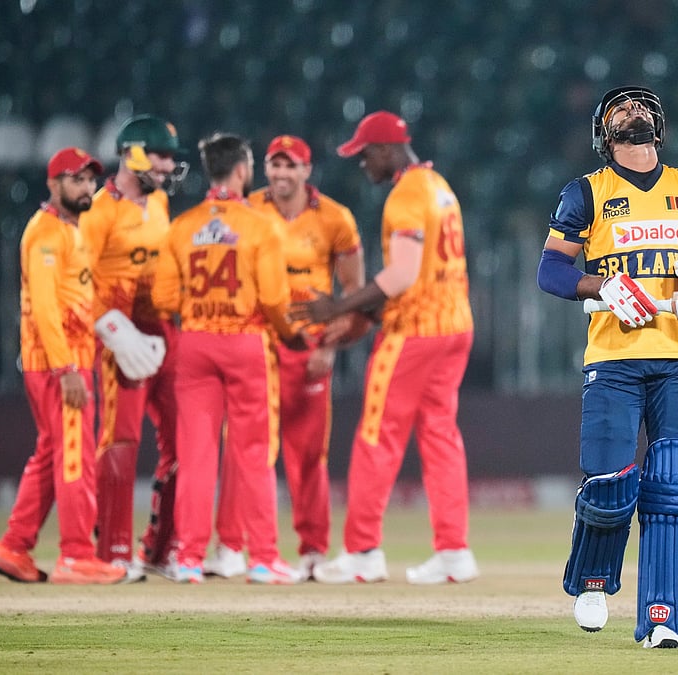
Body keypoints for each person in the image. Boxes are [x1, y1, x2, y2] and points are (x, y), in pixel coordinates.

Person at [536, 86, 678, 649]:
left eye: (642, 106)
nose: (633, 111)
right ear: (604, 134)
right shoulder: (586, 193)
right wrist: (603, 287)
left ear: (659, 126)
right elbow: (550, 271)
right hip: (615, 357)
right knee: (608, 483)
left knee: (674, 485)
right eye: (619, 109)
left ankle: (664, 617)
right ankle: (594, 579)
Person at [291, 111, 478, 586]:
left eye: (364, 154)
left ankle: (362, 551)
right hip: (455, 323)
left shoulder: (407, 195)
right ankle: (454, 552)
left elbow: (402, 276)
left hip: (415, 330)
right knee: (440, 435)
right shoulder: (439, 185)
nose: (361, 164)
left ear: (387, 151)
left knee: (377, 434)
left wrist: (338, 307)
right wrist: (364, 313)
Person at [202, 135, 365, 581]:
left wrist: (330, 346)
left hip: (308, 349)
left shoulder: (335, 219)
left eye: (290, 166)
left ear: (306, 171)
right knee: (242, 445)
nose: (280, 174)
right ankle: (231, 546)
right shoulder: (248, 209)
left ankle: (312, 550)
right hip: (258, 341)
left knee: (308, 451)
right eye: (274, 166)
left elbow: (352, 293)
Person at [151, 132, 306, 585]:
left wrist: (198, 308)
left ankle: (189, 558)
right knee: (253, 453)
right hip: (245, 341)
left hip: (195, 342)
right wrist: (289, 335)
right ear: (242, 170)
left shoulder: (182, 227)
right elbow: (276, 298)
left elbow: (162, 297)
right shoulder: (260, 226)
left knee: (196, 454)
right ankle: (262, 558)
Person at [0, 147, 126, 585]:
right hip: (58, 365)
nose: (86, 188)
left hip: (67, 361)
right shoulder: (45, 233)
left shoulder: (71, 230)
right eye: (76, 180)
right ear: (53, 183)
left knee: (50, 456)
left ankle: (13, 547)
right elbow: (45, 308)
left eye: (90, 180)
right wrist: (66, 370)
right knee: (74, 459)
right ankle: (77, 554)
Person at [80, 114, 188, 582]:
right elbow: (76, 279)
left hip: (163, 327)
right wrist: (112, 328)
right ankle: (112, 552)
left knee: (188, 440)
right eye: (160, 154)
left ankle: (159, 551)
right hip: (117, 333)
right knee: (121, 440)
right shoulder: (99, 209)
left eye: (170, 158)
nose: (166, 166)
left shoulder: (160, 202)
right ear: (132, 152)